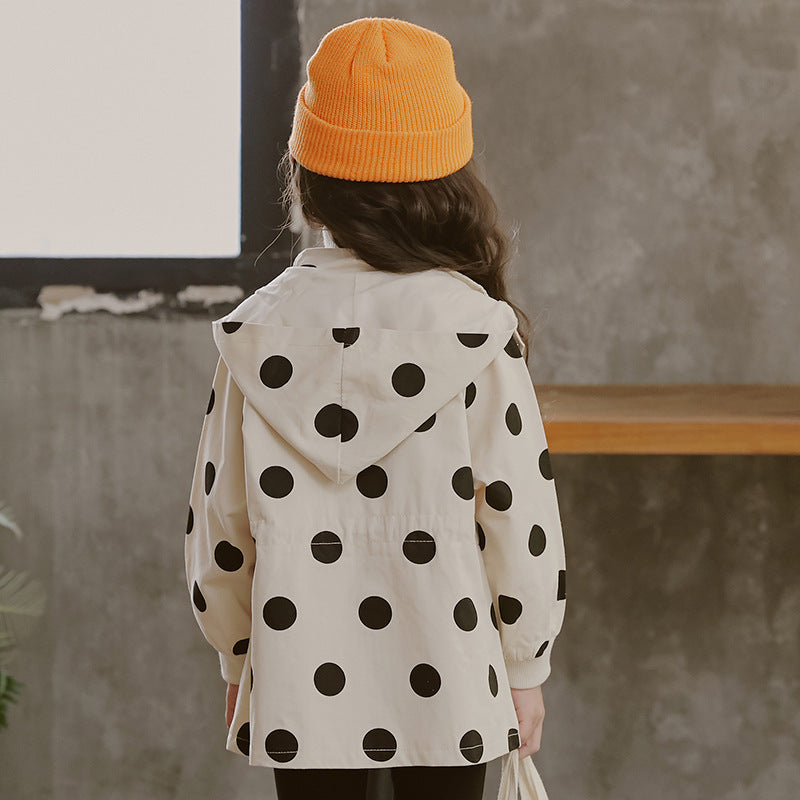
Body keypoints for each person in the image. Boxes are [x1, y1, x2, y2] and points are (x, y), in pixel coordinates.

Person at [184, 16, 566, 800]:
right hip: (453, 671)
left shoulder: (256, 335)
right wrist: (525, 665)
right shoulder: (474, 330)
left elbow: (219, 524)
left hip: (298, 669)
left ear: (309, 171)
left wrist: (239, 654)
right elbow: (520, 519)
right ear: (448, 172)